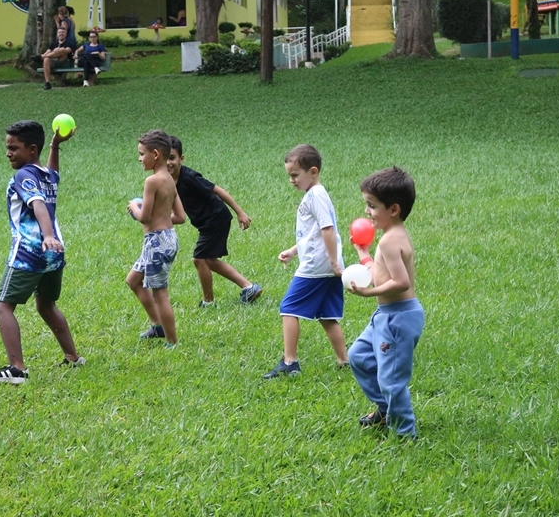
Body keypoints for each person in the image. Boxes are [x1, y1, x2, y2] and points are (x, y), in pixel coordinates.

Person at [0, 120, 85, 384]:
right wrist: (55, 146)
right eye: (7, 147)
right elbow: (53, 172)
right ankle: (73, 357)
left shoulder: (23, 175)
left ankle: (17, 369)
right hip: (54, 254)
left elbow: (37, 204)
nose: (8, 153)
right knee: (46, 305)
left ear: (31, 149)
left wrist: (46, 235)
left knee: (2, 307)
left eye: (14, 148)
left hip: (30, 251)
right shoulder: (44, 174)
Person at [345, 167, 424, 439]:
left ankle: (405, 432)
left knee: (391, 380)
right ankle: (385, 409)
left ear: (393, 209)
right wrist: (364, 254)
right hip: (387, 314)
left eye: (371, 206)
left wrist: (369, 293)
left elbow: (401, 282)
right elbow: (381, 272)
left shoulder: (391, 241)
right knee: (359, 356)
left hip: (398, 318)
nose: (367, 212)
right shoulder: (391, 236)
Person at [262, 144, 348, 379]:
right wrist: (293, 250)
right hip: (326, 266)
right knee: (327, 315)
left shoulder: (316, 195)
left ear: (313, 171)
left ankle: (290, 362)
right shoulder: (316, 194)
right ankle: (344, 360)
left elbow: (328, 230)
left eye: (294, 175)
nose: (291, 180)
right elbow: (314, 234)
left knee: (288, 308)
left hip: (317, 266)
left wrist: (332, 262)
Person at [166, 135, 262, 307]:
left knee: (199, 259)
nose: (168, 162)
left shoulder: (190, 178)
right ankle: (249, 287)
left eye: (172, 157)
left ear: (181, 158)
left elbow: (219, 191)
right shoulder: (167, 180)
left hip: (216, 218)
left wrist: (240, 212)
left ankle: (208, 301)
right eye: (164, 158)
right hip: (207, 222)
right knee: (210, 261)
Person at [126, 130, 186, 348]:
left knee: (161, 294)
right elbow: (180, 217)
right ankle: (157, 326)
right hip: (166, 238)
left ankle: (172, 341)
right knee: (133, 280)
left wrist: (134, 207)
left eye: (142, 154)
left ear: (155, 154)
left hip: (156, 243)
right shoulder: (169, 179)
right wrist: (161, 219)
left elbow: (145, 217)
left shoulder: (152, 181)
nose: (140, 158)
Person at [40, 25, 77, 89]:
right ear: (57, 34)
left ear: (66, 34)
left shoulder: (69, 43)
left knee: (62, 50)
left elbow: (67, 51)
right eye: (59, 32)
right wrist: (46, 55)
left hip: (65, 62)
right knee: (46, 59)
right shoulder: (53, 43)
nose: (61, 34)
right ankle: (47, 83)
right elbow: (47, 52)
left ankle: (40, 57)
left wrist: (58, 50)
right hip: (55, 62)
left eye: (63, 32)